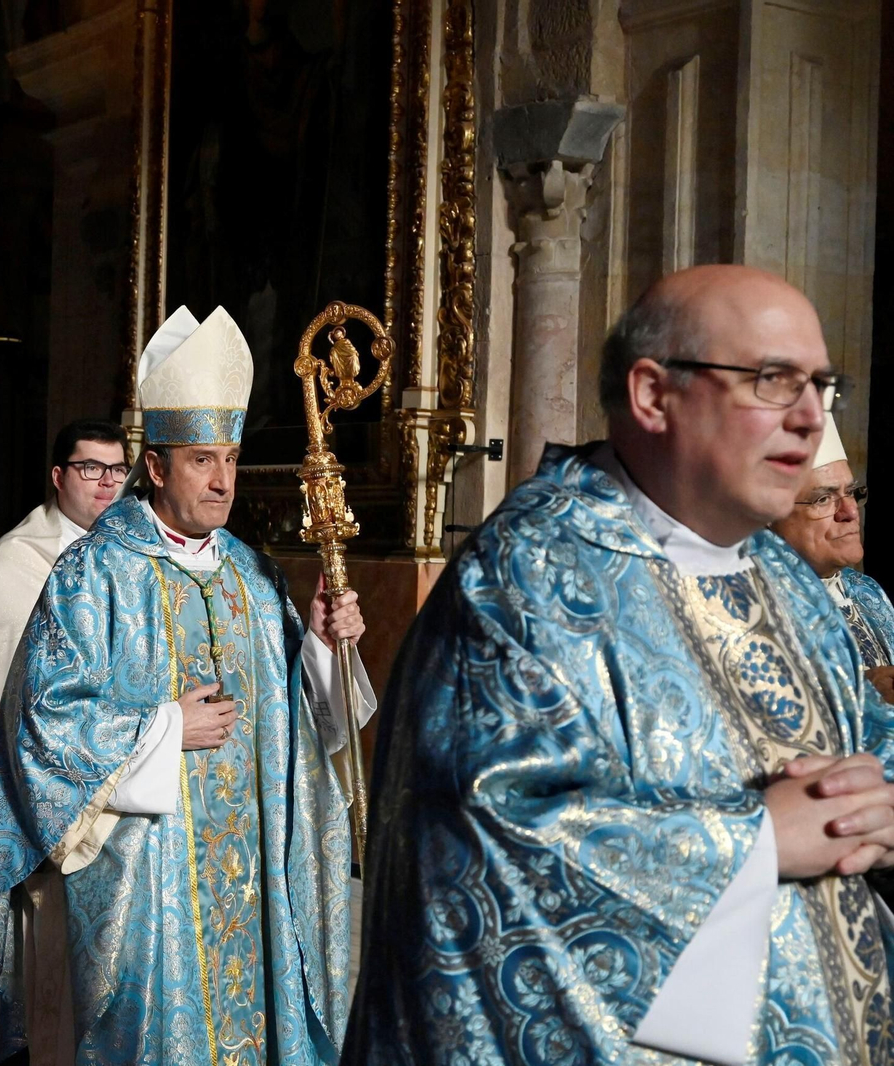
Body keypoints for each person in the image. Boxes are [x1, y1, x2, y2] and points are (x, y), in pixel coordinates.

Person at [346, 265, 894, 1064]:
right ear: (651, 395)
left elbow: (863, 736)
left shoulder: (781, 577)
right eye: (774, 381)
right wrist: (752, 843)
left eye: (821, 385)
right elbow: (480, 848)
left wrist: (877, 800)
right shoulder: (525, 580)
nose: (811, 419)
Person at [0, 307, 375, 1065]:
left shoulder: (255, 578)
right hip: (148, 881)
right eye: (201, 460)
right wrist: (163, 731)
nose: (223, 481)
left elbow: (306, 727)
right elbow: (42, 725)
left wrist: (323, 649)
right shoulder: (94, 575)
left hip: (256, 878)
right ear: (155, 467)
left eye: (229, 458)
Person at [0, 416, 127, 1059]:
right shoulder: (20, 559)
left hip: (119, 787)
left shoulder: (130, 551)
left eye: (117, 470)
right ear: (59, 475)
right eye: (91, 469)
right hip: (41, 800)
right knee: (44, 971)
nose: (106, 483)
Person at [772, 413, 894, 703]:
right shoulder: (752, 604)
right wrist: (858, 696)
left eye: (851, 492)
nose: (851, 511)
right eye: (823, 498)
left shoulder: (866, 590)